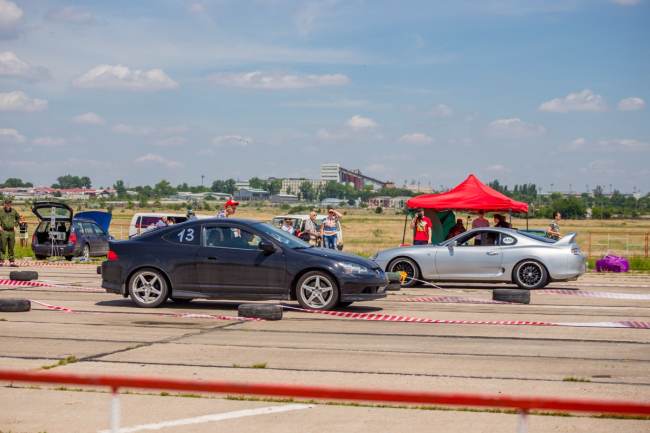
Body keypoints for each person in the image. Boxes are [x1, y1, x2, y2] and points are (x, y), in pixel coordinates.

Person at [0, 199, 21, 266]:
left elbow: (18, 218)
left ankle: (12, 261)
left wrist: (15, 225)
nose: (9, 205)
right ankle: (1, 261)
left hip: (11, 231)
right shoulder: (1, 211)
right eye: (7, 203)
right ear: (5, 204)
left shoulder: (13, 211)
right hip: (4, 231)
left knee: (11, 247)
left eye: (10, 203)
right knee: (2, 246)